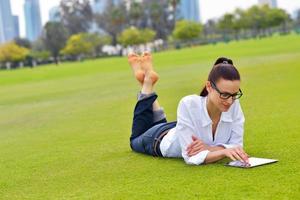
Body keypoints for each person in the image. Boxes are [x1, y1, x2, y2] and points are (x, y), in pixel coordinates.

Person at [128, 52, 249, 165]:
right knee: (135, 140)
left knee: (159, 124)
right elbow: (190, 156)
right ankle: (147, 83)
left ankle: (147, 84)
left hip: (178, 129)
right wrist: (223, 151)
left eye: (234, 95)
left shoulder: (234, 103)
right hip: (159, 138)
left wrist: (208, 148)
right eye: (224, 94)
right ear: (209, 87)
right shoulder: (189, 103)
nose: (229, 101)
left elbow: (237, 146)